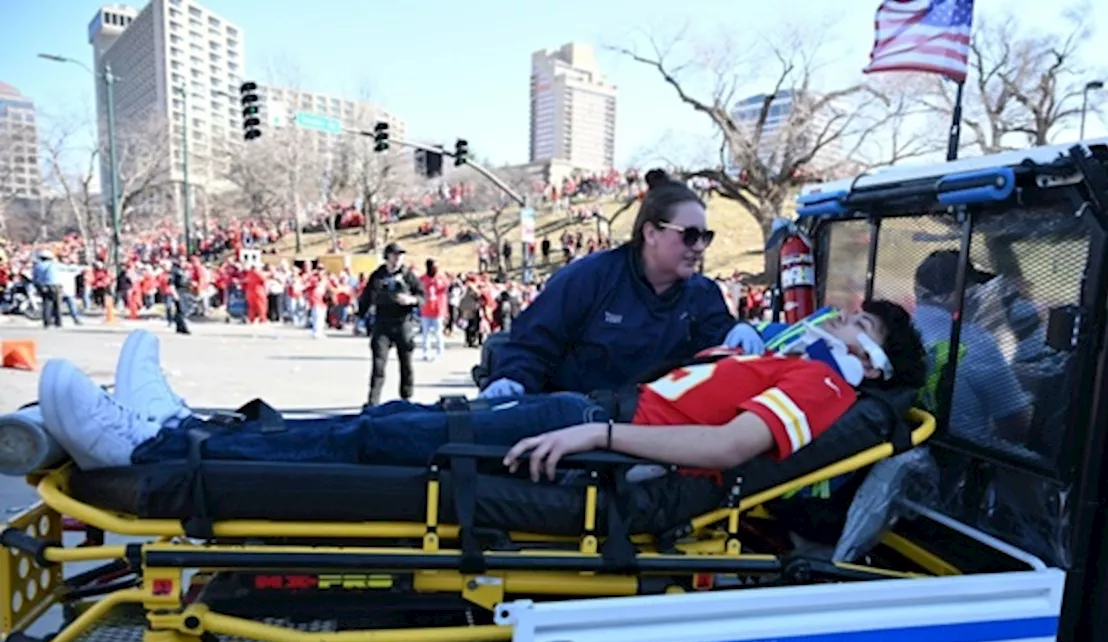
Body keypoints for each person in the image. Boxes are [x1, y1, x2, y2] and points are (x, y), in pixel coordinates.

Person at [37, 302, 925, 481]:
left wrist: (599, 439)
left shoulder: (825, 385)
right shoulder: (790, 360)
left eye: (860, 327)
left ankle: (148, 448)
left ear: (872, 363)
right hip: (589, 413)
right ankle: (177, 430)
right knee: (385, 424)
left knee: (378, 439)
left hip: (595, 430)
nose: (841, 322)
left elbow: (730, 449)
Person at [480, 170, 759, 399]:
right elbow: (533, 342)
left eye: (705, 237)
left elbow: (717, 339)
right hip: (575, 428)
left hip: (657, 435)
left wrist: (738, 331)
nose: (699, 247)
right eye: (690, 235)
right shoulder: (590, 277)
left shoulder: (704, 294)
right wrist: (512, 380)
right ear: (651, 233)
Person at [911, 249, 1031, 443]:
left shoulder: (901, 330)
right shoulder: (976, 343)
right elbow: (1016, 426)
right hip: (967, 462)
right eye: (974, 289)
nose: (979, 296)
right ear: (957, 295)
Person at [358, 243, 424, 408]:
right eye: (394, 255)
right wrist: (360, 316)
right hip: (382, 323)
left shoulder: (408, 275)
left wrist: (412, 300)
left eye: (400, 255)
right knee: (378, 364)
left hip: (403, 323)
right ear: (387, 257)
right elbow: (366, 297)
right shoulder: (377, 275)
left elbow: (422, 296)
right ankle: (373, 400)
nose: (398, 259)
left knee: (406, 364)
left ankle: (406, 399)